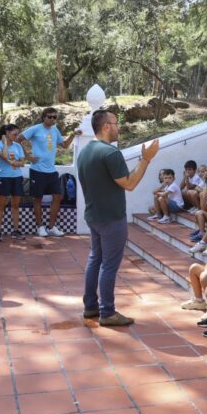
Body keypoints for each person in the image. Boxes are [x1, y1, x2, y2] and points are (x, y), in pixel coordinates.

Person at [77, 109, 159, 326]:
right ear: (106, 126)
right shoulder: (111, 153)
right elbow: (130, 184)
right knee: (109, 265)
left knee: (95, 259)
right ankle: (107, 311)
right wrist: (146, 160)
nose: (118, 127)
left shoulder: (85, 151)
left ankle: (90, 306)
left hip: (93, 215)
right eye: (115, 123)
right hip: (111, 218)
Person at [18, 107, 80, 237]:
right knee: (37, 199)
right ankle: (39, 227)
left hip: (51, 171)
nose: (52, 119)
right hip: (37, 170)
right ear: (43, 117)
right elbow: (18, 139)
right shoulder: (35, 129)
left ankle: (51, 227)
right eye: (50, 117)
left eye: (54, 117)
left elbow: (64, 145)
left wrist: (74, 134)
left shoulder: (55, 129)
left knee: (58, 197)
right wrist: (28, 157)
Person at [0, 124, 26, 241]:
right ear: (7, 133)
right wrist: (5, 144)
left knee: (15, 205)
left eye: (17, 134)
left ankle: (16, 231)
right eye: (14, 134)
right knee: (1, 205)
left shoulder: (18, 146)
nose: (16, 137)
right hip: (4, 178)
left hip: (17, 178)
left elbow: (22, 162)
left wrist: (13, 163)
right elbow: (5, 156)